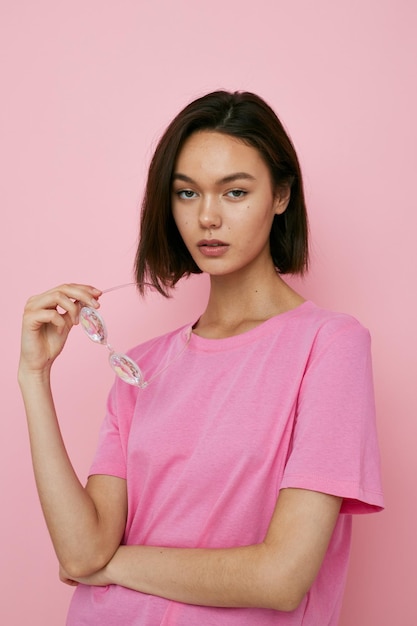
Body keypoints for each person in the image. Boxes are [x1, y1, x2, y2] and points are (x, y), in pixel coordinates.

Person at [18, 90, 384, 625]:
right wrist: (34, 376)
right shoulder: (141, 367)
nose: (207, 217)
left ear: (281, 195)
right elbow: (80, 551)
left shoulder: (330, 346)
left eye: (234, 192)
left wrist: (114, 566)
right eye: (186, 194)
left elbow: (281, 578)